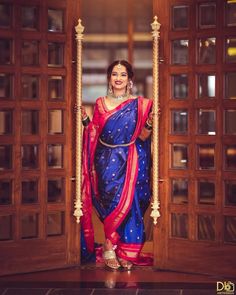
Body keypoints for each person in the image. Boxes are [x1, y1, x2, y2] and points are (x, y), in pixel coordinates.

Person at [80, 60, 153, 270]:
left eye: (122, 74)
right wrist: (85, 120)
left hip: (131, 158)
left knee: (130, 204)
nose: (118, 78)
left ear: (130, 80)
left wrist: (149, 121)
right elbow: (94, 131)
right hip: (106, 160)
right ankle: (108, 247)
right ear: (109, 78)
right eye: (114, 74)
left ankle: (122, 251)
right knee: (112, 204)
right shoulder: (101, 102)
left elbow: (143, 136)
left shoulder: (141, 105)